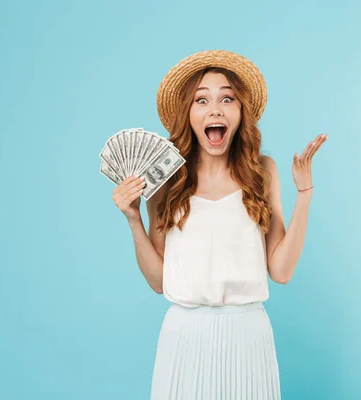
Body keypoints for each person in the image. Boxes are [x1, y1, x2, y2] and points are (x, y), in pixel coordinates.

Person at [111, 50, 328, 399]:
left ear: (241, 112)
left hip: (248, 336)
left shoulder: (263, 171)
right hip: (184, 337)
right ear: (189, 114)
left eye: (227, 98)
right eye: (202, 100)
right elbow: (157, 281)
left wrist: (305, 192)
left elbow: (282, 270)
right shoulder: (164, 178)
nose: (215, 109)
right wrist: (133, 218)